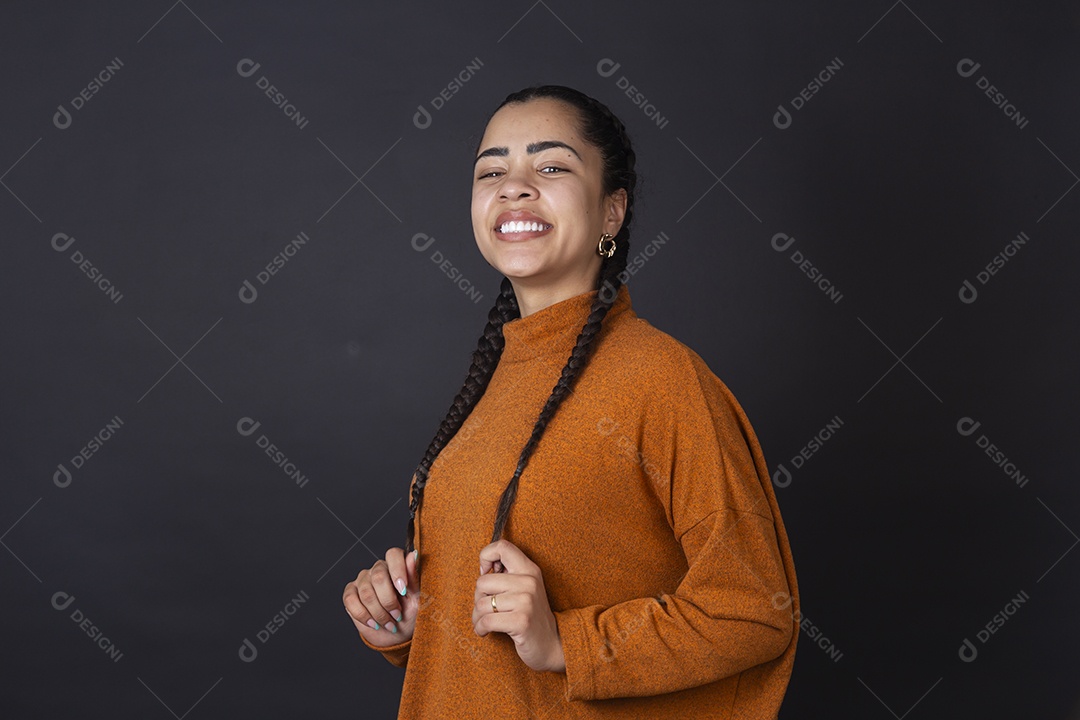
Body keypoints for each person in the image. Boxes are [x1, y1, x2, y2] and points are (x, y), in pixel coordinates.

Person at [343, 84, 799, 718]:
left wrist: (568, 643)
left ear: (612, 212)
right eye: (492, 171)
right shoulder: (490, 381)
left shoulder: (662, 379)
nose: (514, 186)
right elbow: (488, 636)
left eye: (551, 166)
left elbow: (754, 612)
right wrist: (409, 624)